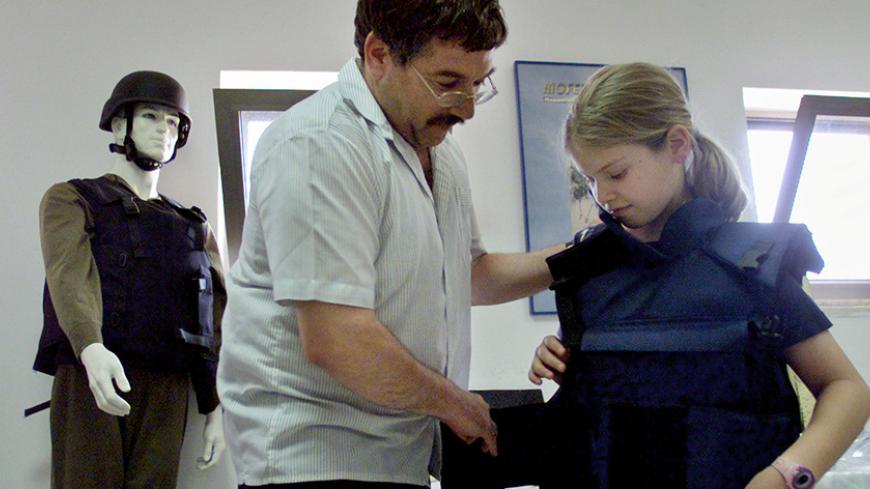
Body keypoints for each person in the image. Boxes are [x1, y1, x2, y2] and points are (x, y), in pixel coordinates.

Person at [216, 1, 564, 488]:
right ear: (378, 54)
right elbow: (338, 337)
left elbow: (467, 274)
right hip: (314, 458)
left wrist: (580, 256)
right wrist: (457, 405)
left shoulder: (440, 152)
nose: (465, 107)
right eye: (447, 83)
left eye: (477, 83)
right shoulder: (319, 144)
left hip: (400, 456)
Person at [525, 62, 870, 488]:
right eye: (590, 179)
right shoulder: (590, 270)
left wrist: (787, 475)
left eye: (616, 173)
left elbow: (847, 388)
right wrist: (565, 363)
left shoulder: (750, 263)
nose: (603, 195)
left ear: (677, 144)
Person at [33, 71, 227, 489]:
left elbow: (212, 316)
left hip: (168, 385)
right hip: (93, 373)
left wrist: (214, 404)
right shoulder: (72, 199)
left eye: (174, 123)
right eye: (153, 117)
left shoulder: (193, 225)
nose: (165, 131)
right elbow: (69, 274)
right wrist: (90, 347)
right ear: (121, 125)